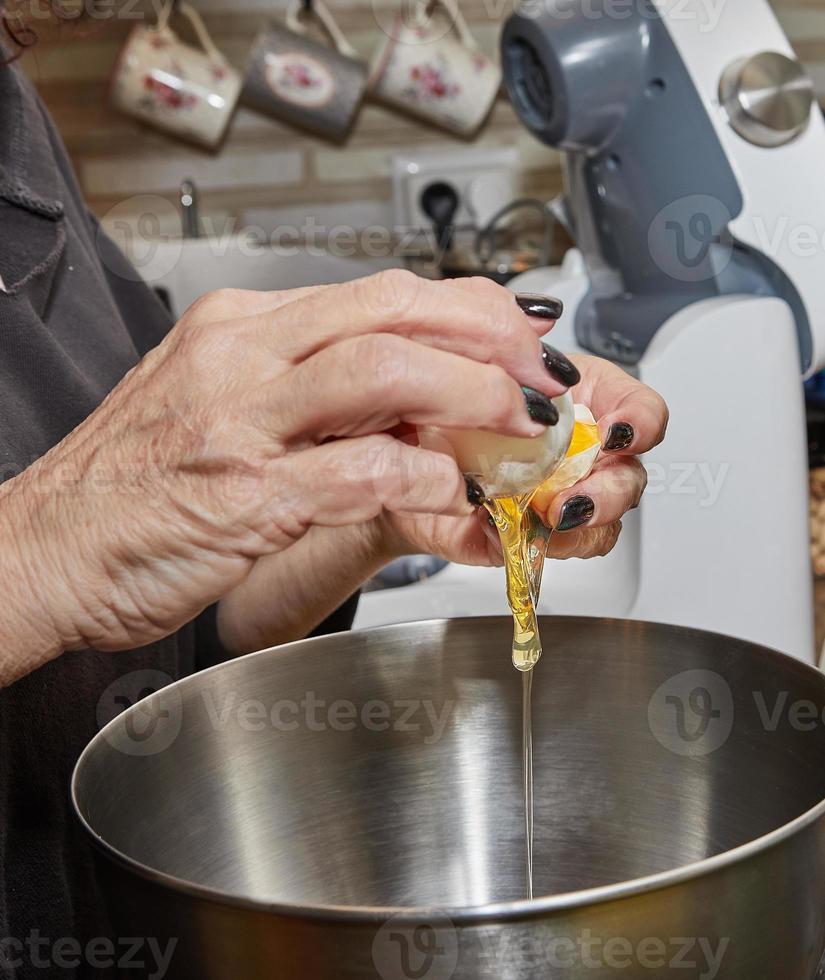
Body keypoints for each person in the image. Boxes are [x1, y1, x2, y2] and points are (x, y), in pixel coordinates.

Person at [0, 22, 668, 980]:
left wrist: (371, 498)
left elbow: (175, 630)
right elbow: (76, 550)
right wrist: (35, 554)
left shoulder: (12, 103)